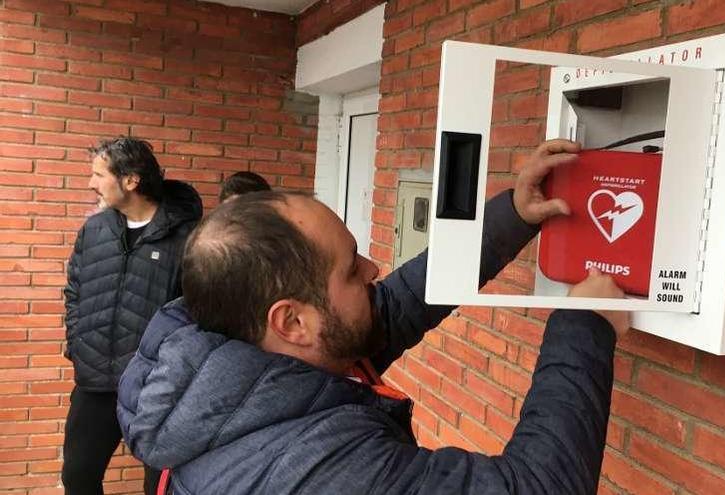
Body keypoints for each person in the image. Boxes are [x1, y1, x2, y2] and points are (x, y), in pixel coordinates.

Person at [117, 140, 629, 494]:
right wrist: (584, 324)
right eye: (349, 267)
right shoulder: (314, 471)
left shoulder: (231, 365)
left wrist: (513, 215)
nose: (373, 268)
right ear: (292, 322)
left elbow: (397, 305)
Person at [63, 137, 203, 495]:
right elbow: (75, 290)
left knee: (159, 486)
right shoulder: (94, 230)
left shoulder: (187, 238)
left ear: (131, 180)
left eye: (98, 175)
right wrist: (76, 343)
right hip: (94, 379)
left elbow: (198, 311)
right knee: (78, 476)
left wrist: (175, 369)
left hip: (158, 386)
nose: (91, 183)